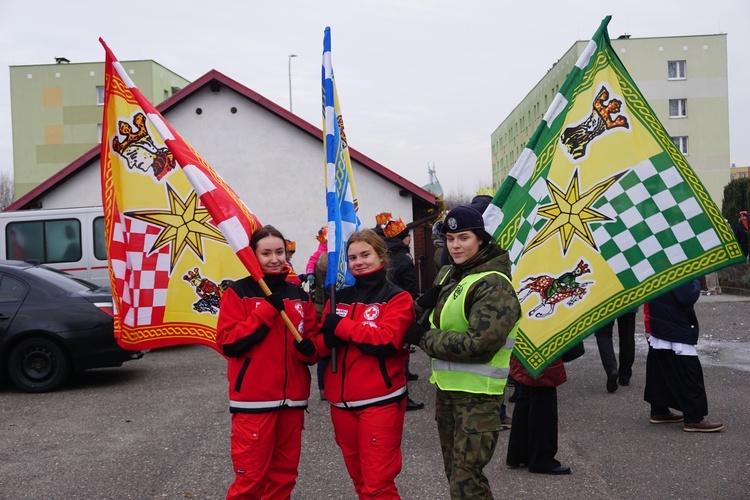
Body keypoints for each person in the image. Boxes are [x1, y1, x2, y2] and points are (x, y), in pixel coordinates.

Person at [404, 206, 521, 499]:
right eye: (451, 238)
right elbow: (431, 314)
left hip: (478, 397)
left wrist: (424, 338)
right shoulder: (449, 273)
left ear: (480, 240)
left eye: (463, 238)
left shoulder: (494, 284)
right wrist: (420, 304)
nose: (455, 245)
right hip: (447, 391)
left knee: (465, 479)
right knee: (455, 474)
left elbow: (479, 344)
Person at [216, 225, 319, 499]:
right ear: (253, 256)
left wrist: (310, 349)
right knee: (250, 482)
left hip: (293, 403)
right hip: (253, 404)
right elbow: (229, 343)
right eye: (266, 253)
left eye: (280, 252)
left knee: (283, 479)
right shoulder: (238, 292)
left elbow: (311, 344)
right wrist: (264, 312)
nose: (274, 259)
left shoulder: (299, 295)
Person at [315, 228, 415, 498]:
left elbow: (386, 342)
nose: (359, 262)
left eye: (365, 255)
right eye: (352, 257)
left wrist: (343, 328)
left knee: (378, 484)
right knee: (360, 481)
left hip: (379, 403)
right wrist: (328, 342)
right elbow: (319, 347)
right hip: (341, 405)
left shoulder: (398, 298)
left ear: (381, 255)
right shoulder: (339, 297)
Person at [644, 278, 724, 432]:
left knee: (661, 365)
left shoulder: (657, 260)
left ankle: (659, 410)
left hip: (660, 318)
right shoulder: (676, 262)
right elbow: (687, 296)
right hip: (676, 321)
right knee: (689, 371)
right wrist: (696, 278)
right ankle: (694, 417)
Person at [382, 215, 425, 411]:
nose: (409, 240)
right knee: (402, 351)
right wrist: (416, 309)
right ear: (402, 239)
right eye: (408, 236)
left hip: (382, 309)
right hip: (400, 309)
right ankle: (403, 397)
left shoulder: (381, 256)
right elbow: (411, 287)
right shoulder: (404, 259)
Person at [506, 354, 571, 475]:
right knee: (543, 398)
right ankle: (541, 458)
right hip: (541, 351)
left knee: (526, 393)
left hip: (524, 345)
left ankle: (519, 454)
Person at [595, 307, 638, 393]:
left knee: (603, 333)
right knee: (627, 333)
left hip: (605, 298)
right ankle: (625, 376)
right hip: (628, 296)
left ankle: (611, 369)